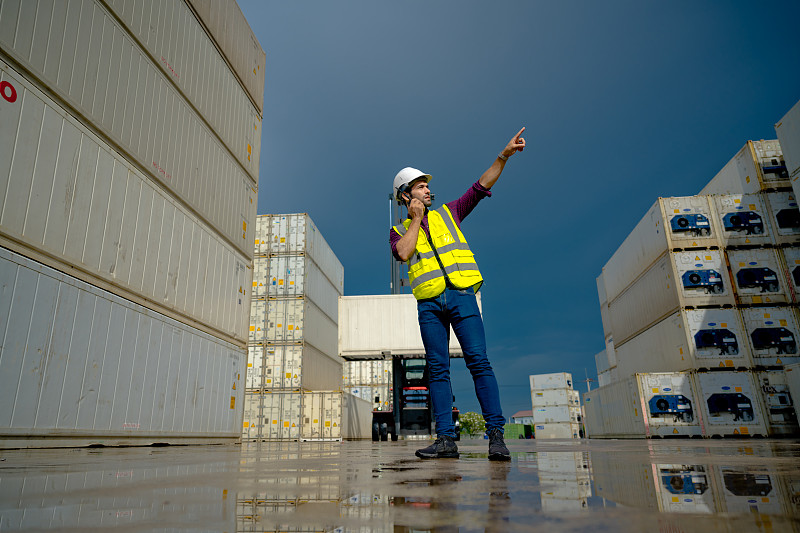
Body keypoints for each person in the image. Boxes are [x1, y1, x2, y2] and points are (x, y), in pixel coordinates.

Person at [389, 127, 526, 461]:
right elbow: (404, 254)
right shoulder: (397, 232)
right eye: (422, 186)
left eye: (427, 185)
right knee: (437, 369)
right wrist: (415, 223)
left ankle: (496, 436)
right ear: (406, 196)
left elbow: (481, 186)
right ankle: (446, 440)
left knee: (479, 362)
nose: (429, 190)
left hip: (462, 296)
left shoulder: (450, 212)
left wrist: (503, 155)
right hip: (430, 306)